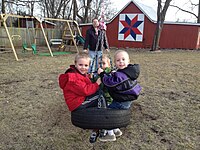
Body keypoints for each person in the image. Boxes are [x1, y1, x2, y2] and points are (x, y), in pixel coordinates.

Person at [97, 50, 142, 142]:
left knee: (108, 115)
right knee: (115, 115)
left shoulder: (122, 74)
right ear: (115, 63)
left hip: (122, 101)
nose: (121, 61)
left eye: (123, 59)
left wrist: (102, 74)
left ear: (128, 61)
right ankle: (116, 130)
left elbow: (109, 83)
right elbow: (117, 78)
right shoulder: (129, 71)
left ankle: (110, 135)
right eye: (118, 60)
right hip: (126, 99)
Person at [58, 52, 103, 143]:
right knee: (100, 97)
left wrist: (89, 79)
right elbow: (85, 90)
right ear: (75, 64)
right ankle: (103, 123)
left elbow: (84, 84)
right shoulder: (73, 77)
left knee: (96, 98)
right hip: (77, 103)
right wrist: (97, 83)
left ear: (89, 66)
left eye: (86, 65)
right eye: (80, 65)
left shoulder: (79, 74)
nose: (83, 67)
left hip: (78, 100)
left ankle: (96, 125)